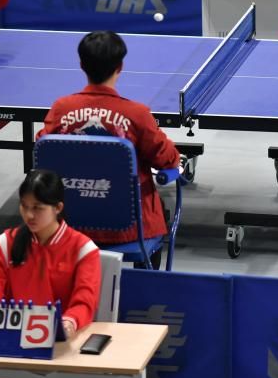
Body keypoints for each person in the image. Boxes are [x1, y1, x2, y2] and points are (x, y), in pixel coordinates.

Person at [37, 31, 181, 257]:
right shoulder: (137, 114)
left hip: (70, 224)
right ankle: (146, 275)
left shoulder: (61, 109)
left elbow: (43, 151)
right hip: (131, 229)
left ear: (82, 65)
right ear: (120, 67)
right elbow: (168, 159)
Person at [0, 169, 101, 341]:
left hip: (61, 341)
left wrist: (68, 324)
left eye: (37, 208)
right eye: (24, 206)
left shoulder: (83, 250)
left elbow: (84, 302)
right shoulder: (4, 243)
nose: (29, 215)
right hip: (12, 339)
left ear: (58, 208)